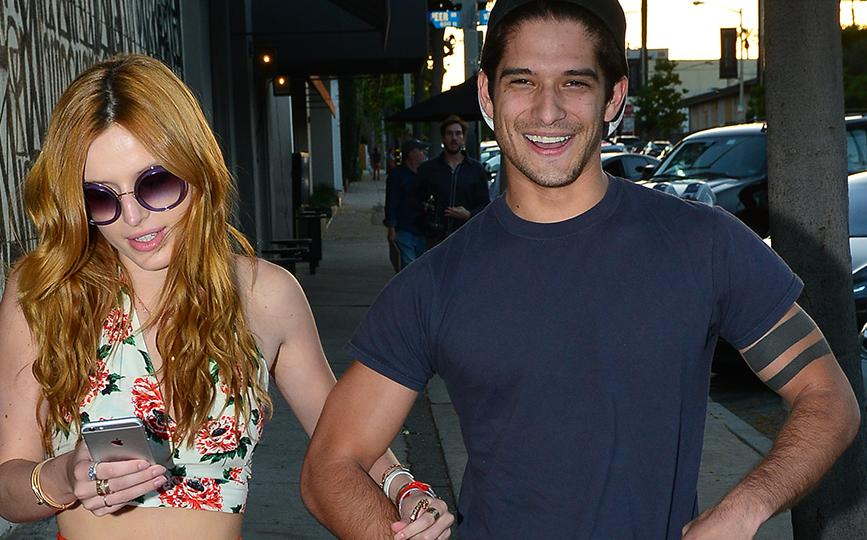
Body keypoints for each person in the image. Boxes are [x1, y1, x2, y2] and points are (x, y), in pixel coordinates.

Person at [301, 1, 859, 539]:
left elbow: (829, 398)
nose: (548, 111)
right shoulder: (433, 286)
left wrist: (745, 507)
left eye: (574, 81)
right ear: (486, 95)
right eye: (522, 81)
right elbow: (331, 466)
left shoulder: (703, 244)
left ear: (613, 96)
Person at [0, 54, 453, 540]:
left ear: (197, 167)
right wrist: (64, 477)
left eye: (156, 183)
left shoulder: (265, 295)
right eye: (101, 196)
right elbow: (7, 486)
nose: (133, 218)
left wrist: (406, 490)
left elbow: (347, 438)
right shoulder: (44, 291)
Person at [414, 115, 490, 248]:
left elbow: (484, 204)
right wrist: (424, 207)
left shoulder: (476, 169)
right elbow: (413, 199)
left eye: (458, 134)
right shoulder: (428, 169)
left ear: (464, 138)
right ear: (442, 138)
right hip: (435, 239)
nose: (454, 138)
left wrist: (469, 214)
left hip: (467, 238)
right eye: (449, 134)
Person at [385, 139, 430, 271]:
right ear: (411, 154)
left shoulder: (424, 174)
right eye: (420, 151)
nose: (424, 153)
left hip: (422, 229)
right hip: (404, 228)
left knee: (422, 267)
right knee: (409, 268)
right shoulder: (397, 176)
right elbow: (391, 202)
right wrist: (391, 229)